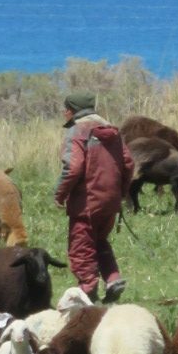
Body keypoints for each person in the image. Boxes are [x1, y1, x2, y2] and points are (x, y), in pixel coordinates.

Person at [54, 90, 133, 302]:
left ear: (71, 111)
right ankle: (113, 278)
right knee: (99, 241)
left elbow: (73, 167)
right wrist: (122, 192)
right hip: (111, 201)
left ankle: (88, 288)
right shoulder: (112, 131)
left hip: (86, 202)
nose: (64, 113)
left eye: (66, 110)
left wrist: (60, 194)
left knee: (81, 246)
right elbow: (128, 163)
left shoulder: (77, 132)